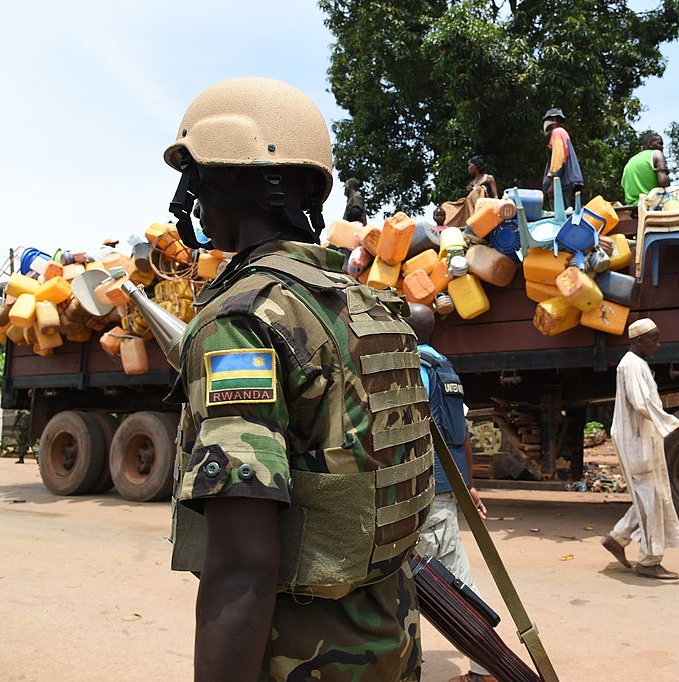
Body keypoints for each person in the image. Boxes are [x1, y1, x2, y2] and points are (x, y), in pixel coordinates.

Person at [164, 77, 430, 682]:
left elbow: (242, 563)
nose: (192, 201)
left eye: (196, 177)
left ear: (228, 179)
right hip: (391, 638)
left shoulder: (243, 322)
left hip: (307, 657)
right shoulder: (361, 304)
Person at [407, 303, 495, 682]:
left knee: (413, 586)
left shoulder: (415, 370)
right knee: (459, 583)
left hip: (424, 493)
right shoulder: (447, 370)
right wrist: (469, 485)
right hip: (445, 490)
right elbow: (461, 438)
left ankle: (404, 667)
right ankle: (483, 668)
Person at [601, 318, 679, 580]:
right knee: (651, 498)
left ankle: (617, 538)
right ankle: (649, 561)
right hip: (636, 441)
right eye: (653, 339)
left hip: (642, 439)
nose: (658, 343)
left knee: (650, 495)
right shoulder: (631, 365)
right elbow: (643, 404)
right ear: (638, 341)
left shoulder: (637, 364)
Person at [541, 107, 584, 209]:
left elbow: (559, 157)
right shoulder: (561, 133)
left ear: (555, 119)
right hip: (564, 184)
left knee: (559, 220)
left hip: (560, 185)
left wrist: (553, 183)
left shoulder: (558, 132)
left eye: (547, 119)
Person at [621, 131, 671, 205]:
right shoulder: (657, 154)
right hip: (651, 204)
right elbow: (663, 181)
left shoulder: (631, 161)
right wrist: (666, 171)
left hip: (632, 207)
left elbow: (623, 184)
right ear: (650, 144)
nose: (662, 147)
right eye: (660, 143)